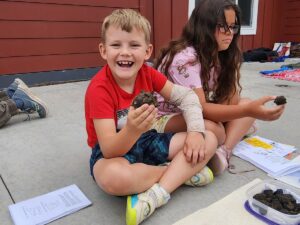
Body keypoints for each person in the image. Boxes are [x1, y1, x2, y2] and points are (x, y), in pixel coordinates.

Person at [85, 9, 218, 225]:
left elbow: (188, 98)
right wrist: (131, 129)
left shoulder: (148, 74)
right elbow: (109, 148)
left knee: (208, 138)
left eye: (134, 45)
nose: (125, 52)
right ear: (103, 50)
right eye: (116, 45)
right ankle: (177, 174)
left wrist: (195, 132)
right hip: (112, 154)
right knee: (112, 179)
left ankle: (156, 194)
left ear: (147, 51)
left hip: (148, 140)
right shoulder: (99, 89)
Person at [154, 0, 285, 175]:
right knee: (218, 128)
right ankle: (229, 138)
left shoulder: (218, 53)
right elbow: (200, 109)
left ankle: (223, 152)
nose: (230, 33)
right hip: (166, 116)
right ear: (205, 26)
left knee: (245, 103)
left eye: (233, 27)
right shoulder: (184, 59)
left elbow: (231, 100)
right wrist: (248, 112)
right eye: (223, 26)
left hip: (194, 110)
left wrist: (230, 69)